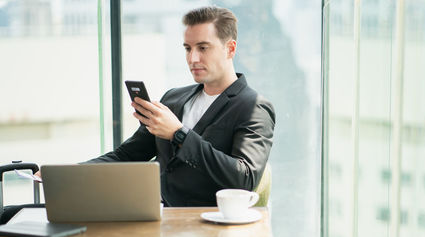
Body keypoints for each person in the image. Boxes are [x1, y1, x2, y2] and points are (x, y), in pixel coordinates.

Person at [50, 6, 275, 207]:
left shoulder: (253, 107)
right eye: (187, 48)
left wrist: (178, 134)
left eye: (203, 48)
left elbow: (244, 179)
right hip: (153, 215)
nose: (193, 58)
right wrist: (71, 172)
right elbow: (128, 155)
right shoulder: (173, 99)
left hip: (204, 223)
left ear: (230, 49)